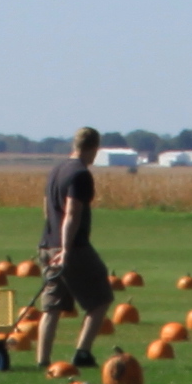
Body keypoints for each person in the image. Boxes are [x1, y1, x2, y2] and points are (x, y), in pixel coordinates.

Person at [35, 126, 112, 369]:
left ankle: (42, 360)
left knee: (52, 307)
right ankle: (82, 352)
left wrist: (52, 237)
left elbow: (47, 208)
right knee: (101, 298)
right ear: (93, 148)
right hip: (73, 247)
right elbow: (72, 213)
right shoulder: (80, 174)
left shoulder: (56, 170)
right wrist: (66, 249)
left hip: (47, 243)